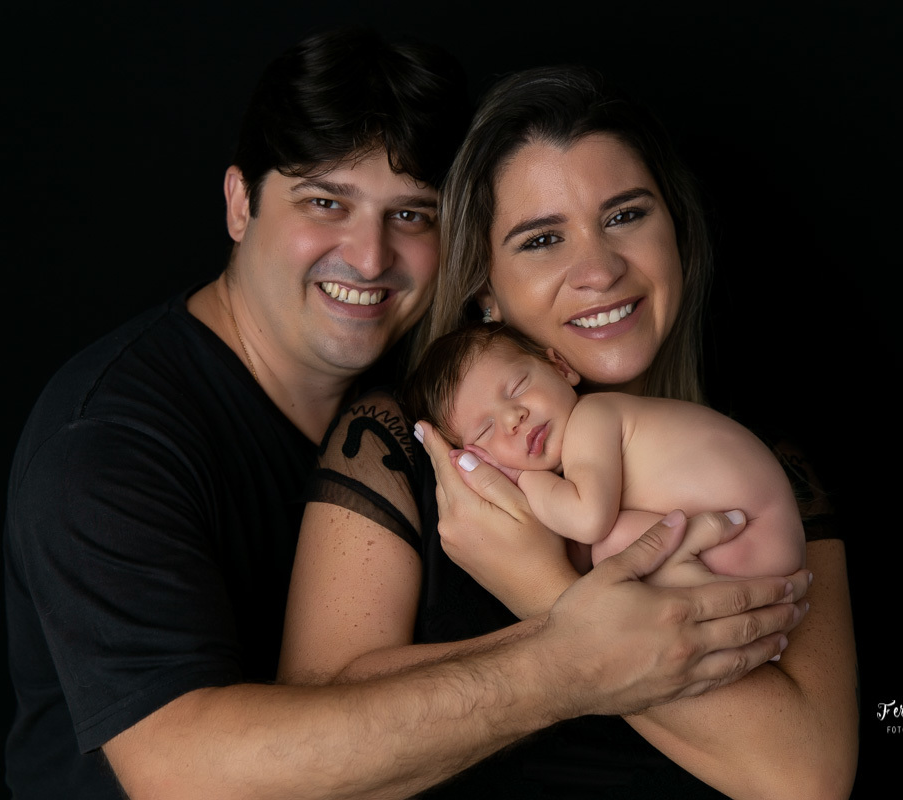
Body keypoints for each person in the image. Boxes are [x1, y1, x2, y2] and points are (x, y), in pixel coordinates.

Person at [3, 30, 810, 799]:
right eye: (326, 202)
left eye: (411, 214)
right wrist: (568, 657)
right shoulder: (109, 442)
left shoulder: (451, 401)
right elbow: (182, 777)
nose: (369, 257)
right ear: (239, 204)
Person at [280, 65, 857, 798]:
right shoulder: (399, 445)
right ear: (484, 288)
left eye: (624, 216)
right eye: (542, 239)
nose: (599, 269)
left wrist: (543, 586)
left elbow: (805, 777)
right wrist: (568, 652)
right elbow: (306, 751)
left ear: (676, 233)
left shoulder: (771, 471)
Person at [403, 321, 805, 575]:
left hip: (752, 532)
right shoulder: (579, 469)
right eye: (486, 429)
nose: (513, 418)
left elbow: (589, 521)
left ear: (561, 368)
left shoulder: (593, 416)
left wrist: (522, 478)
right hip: (758, 540)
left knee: (611, 545)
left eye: (517, 387)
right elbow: (576, 556)